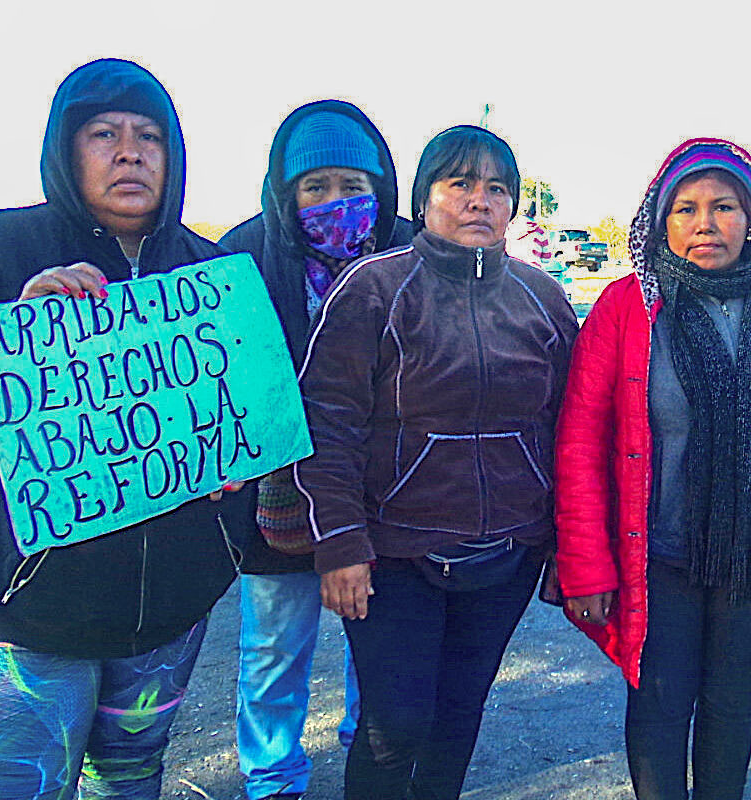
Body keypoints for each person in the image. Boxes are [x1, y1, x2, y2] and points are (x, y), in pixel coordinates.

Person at [0, 58, 251, 799]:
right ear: (65, 148)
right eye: (103, 134)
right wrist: (5, 340)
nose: (130, 152)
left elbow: (251, 423)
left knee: (128, 780)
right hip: (25, 615)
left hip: (167, 617)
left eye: (150, 135)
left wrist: (239, 466)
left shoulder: (214, 278)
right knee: (16, 788)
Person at [293, 125, 578, 800]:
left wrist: (568, 545)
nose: (479, 200)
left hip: (509, 551)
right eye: (460, 183)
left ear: (512, 207)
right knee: (396, 723)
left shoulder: (544, 299)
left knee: (458, 715)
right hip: (395, 554)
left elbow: (571, 428)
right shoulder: (374, 289)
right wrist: (339, 543)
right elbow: (328, 422)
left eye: (497, 188)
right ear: (425, 201)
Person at [554, 138, 751, 800]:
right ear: (660, 221)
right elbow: (581, 442)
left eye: (724, 206)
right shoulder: (627, 308)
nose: (705, 223)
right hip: (661, 561)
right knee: (661, 712)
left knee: (733, 715)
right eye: (686, 208)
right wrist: (585, 566)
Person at [220, 100, 414, 800]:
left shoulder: (414, 252)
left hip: (390, 495)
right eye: (316, 187)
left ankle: (375, 746)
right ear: (286, 194)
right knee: (275, 645)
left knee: (381, 642)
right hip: (281, 499)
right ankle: (271, 776)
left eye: (354, 187)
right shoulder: (241, 259)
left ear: (381, 189)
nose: (337, 203)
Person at [505, 200, 553, 268]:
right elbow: (546, 259)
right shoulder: (541, 232)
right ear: (535, 213)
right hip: (533, 271)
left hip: (512, 270)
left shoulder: (508, 229)